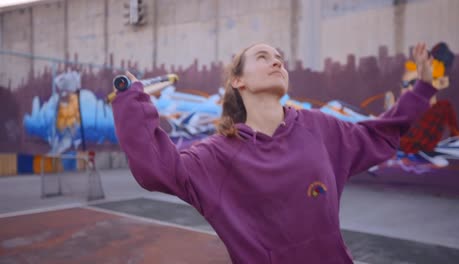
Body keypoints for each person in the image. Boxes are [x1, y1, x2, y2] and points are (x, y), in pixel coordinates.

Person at [111, 43, 439, 263]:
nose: (277, 61)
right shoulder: (217, 156)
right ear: (238, 80)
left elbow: (379, 133)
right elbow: (157, 169)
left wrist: (422, 88)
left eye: (278, 57)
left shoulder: (320, 129)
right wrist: (132, 103)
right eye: (263, 57)